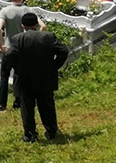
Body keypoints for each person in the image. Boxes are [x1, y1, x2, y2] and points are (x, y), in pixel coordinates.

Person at [7, 13, 69, 142]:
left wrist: (17, 68)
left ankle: (30, 135)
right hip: (45, 77)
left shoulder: (17, 39)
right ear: (36, 24)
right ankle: (51, 131)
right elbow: (63, 51)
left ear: (23, 26)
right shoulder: (48, 37)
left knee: (27, 108)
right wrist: (54, 66)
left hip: (25, 79)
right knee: (47, 106)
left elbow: (9, 57)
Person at [0, 0, 46, 113]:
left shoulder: (5, 11)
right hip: (24, 47)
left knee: (4, 76)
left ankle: (2, 105)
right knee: (19, 75)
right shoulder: (29, 10)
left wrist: (1, 46)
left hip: (9, 46)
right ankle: (18, 101)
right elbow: (43, 26)